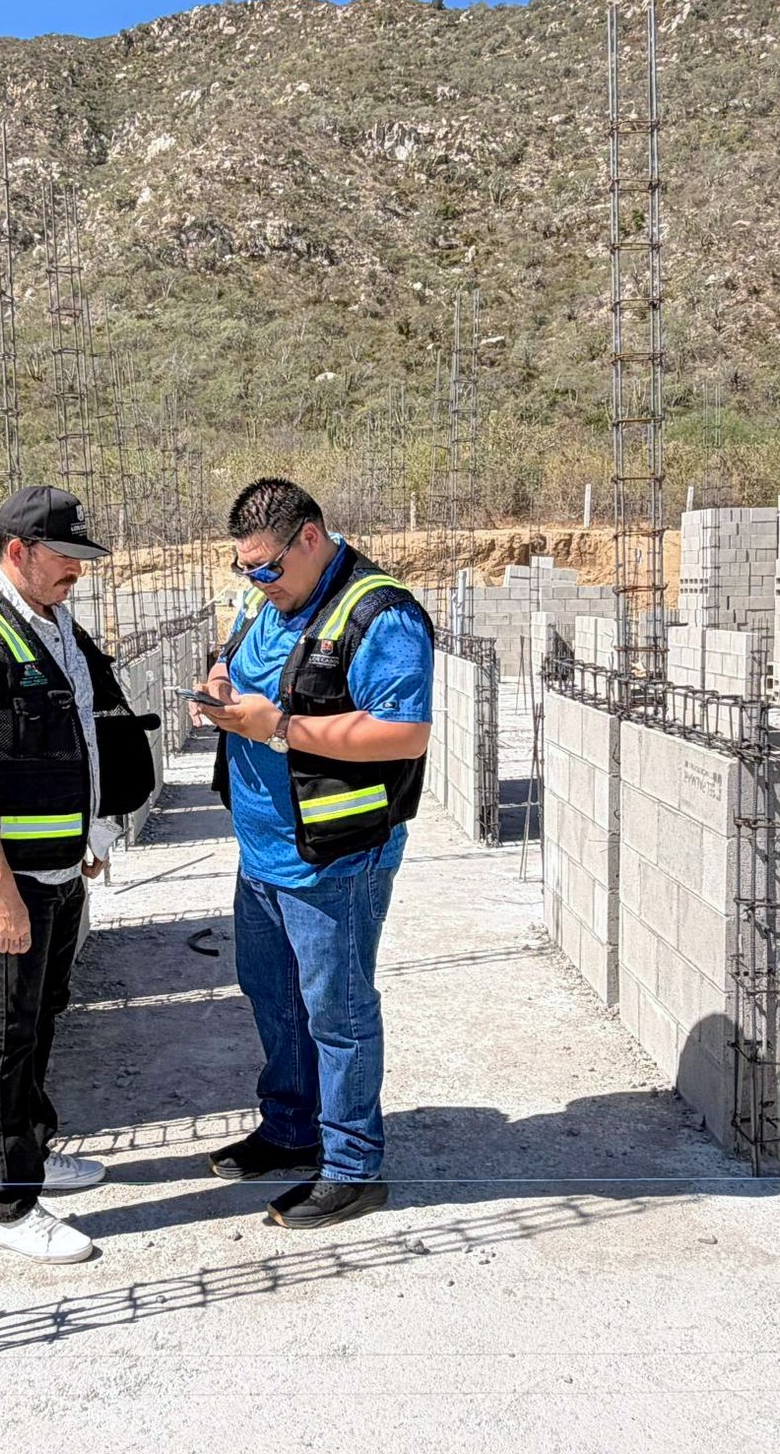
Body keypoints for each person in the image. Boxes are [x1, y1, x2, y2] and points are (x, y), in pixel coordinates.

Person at [194, 477, 434, 1229]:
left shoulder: (379, 614)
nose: (258, 582)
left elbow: (405, 734)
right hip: (263, 851)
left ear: (309, 537)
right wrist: (220, 686)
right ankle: (292, 1128)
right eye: (246, 570)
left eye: (267, 568)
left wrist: (277, 728)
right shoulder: (261, 602)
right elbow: (234, 660)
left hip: (336, 859)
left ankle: (353, 1166)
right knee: (272, 996)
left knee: (339, 1013)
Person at [0, 484, 135, 1264]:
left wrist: (87, 834)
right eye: (65, 558)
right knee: (3, 1034)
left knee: (43, 1016)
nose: (77, 571)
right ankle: (7, 1202)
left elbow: (71, 737)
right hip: (9, 878)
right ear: (18, 552)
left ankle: (34, 1153)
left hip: (57, 868)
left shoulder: (54, 623)